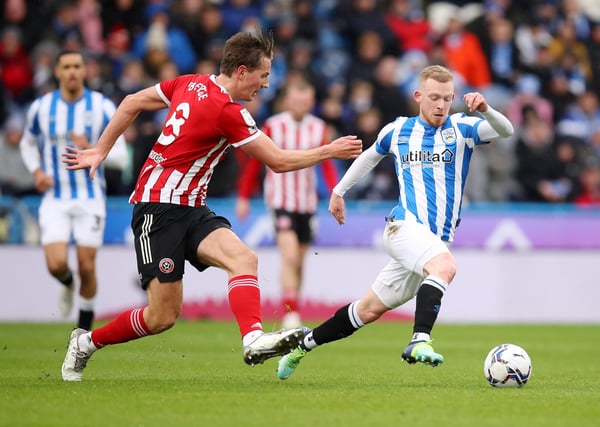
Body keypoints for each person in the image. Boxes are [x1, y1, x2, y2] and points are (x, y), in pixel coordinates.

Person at [60, 30, 362, 382]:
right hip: (158, 210)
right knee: (162, 316)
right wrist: (329, 150)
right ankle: (85, 343)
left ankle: (252, 339)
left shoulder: (191, 83)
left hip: (192, 207)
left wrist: (100, 149)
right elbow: (277, 161)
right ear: (242, 71)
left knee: (243, 258)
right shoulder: (226, 111)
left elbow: (131, 101)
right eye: (263, 76)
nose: (265, 85)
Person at [276, 64, 514, 380]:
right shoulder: (398, 130)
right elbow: (370, 157)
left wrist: (486, 109)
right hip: (403, 228)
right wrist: (338, 191)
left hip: (433, 241)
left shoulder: (462, 129)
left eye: (446, 98)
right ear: (418, 96)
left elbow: (506, 130)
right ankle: (419, 340)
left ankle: (301, 347)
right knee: (445, 268)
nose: (441, 105)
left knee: (369, 309)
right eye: (433, 98)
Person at [19, 50, 128, 331]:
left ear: (84, 71)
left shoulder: (102, 106)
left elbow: (123, 157)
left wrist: (93, 147)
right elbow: (26, 143)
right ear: (57, 71)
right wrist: (37, 172)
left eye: (77, 66)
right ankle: (67, 284)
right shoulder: (41, 108)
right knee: (56, 265)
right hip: (54, 198)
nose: (71, 72)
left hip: (90, 199)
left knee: (87, 266)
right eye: (66, 66)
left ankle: (81, 334)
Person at [235, 79, 339, 329]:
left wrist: (337, 192)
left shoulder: (319, 128)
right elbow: (255, 163)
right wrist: (244, 196)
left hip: (307, 203)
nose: (301, 104)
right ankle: (289, 313)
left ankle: (294, 310)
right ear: (287, 100)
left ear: (311, 102)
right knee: (290, 256)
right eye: (296, 99)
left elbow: (326, 164)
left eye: (306, 100)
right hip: (281, 200)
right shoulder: (274, 125)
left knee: (300, 261)